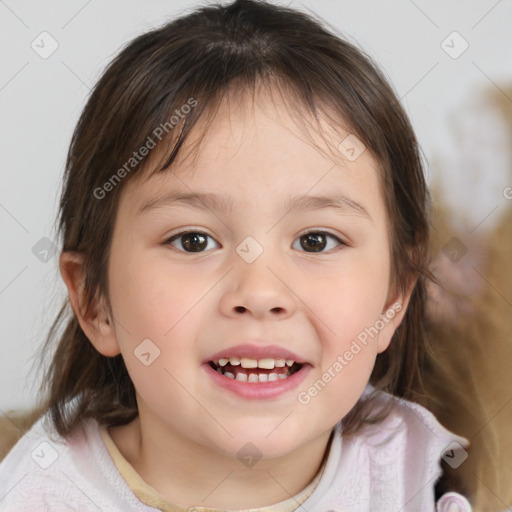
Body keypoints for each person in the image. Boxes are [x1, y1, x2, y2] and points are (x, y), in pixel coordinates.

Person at [0, 1, 474, 510]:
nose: (261, 293)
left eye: (316, 240)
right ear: (95, 299)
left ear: (394, 297)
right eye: (193, 241)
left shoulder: (409, 474)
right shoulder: (39, 495)